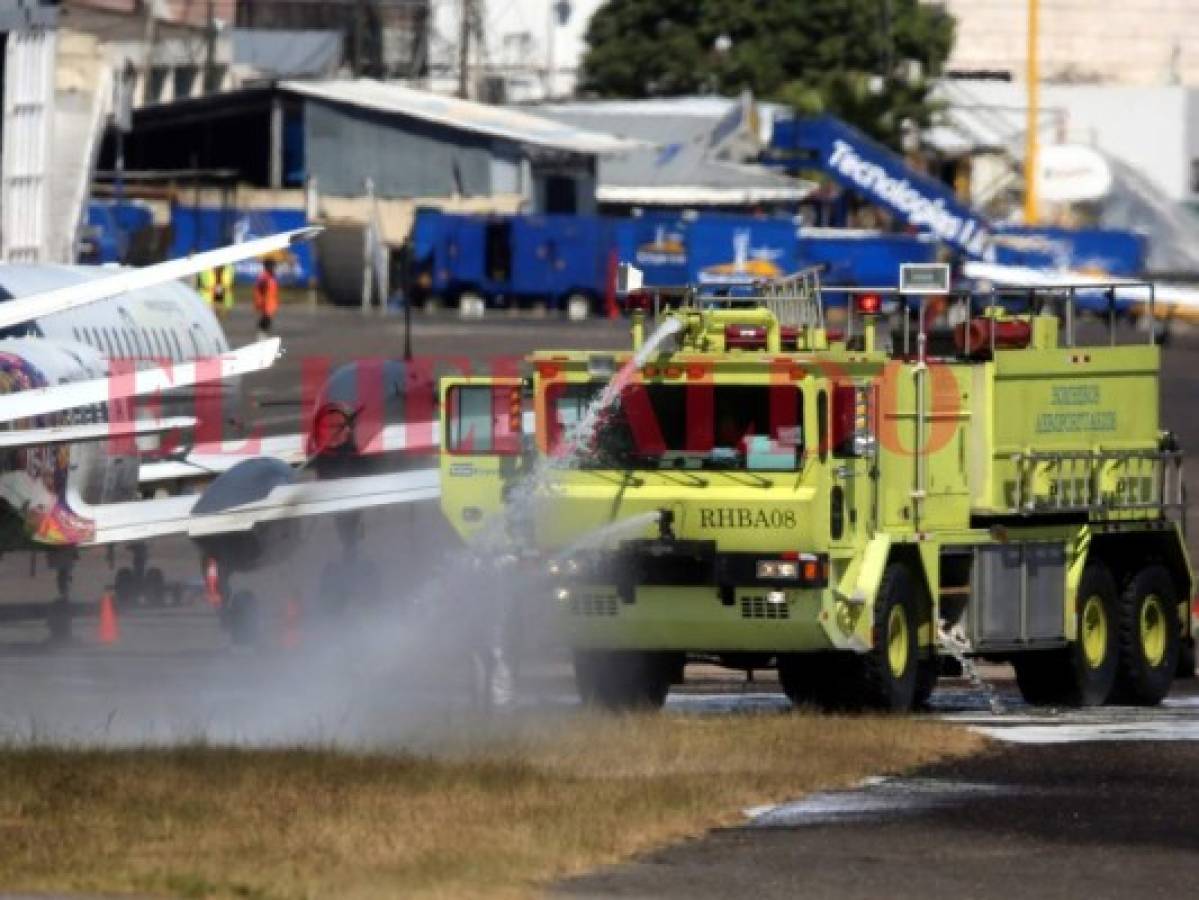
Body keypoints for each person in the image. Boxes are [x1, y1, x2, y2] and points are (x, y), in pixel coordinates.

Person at [253, 258, 279, 340]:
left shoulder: (271, 276)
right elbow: (259, 289)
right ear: (267, 266)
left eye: (274, 266)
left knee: (267, 321)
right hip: (266, 303)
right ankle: (261, 338)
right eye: (272, 266)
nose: (273, 268)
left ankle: (263, 336)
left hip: (270, 304)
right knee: (265, 321)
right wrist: (260, 301)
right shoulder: (264, 276)